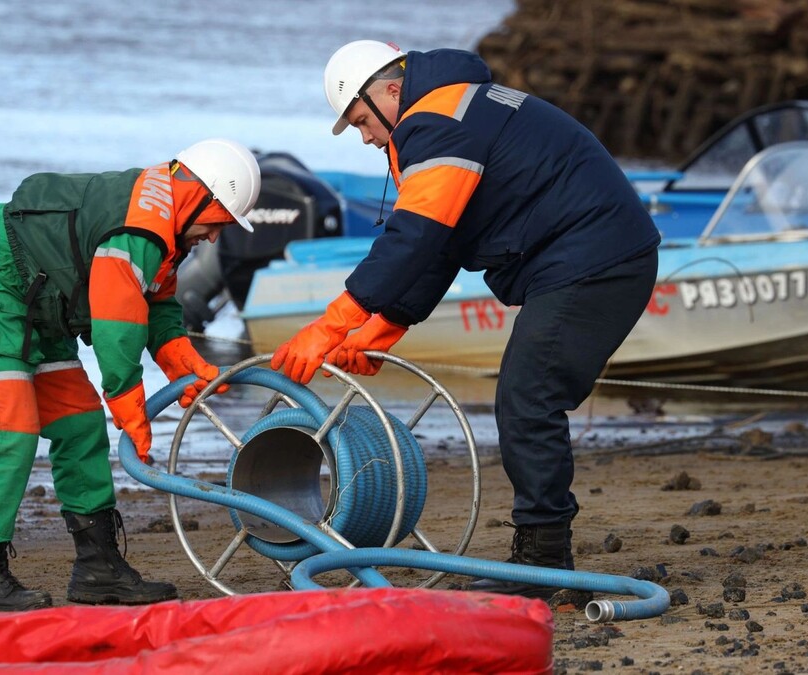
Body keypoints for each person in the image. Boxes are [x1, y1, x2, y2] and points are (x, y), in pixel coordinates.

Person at [271, 41, 660, 598]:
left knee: (528, 398)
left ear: (388, 91)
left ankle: (545, 562)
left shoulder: (435, 121)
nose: (366, 137)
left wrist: (331, 326)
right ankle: (546, 558)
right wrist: (380, 330)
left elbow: (416, 237)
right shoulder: (454, 106)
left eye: (361, 122)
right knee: (529, 397)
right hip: (592, 255)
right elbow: (443, 243)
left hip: (594, 259)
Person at [0, 138, 260, 611]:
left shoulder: (164, 222)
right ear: (203, 196)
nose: (215, 238)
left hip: (40, 304)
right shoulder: (145, 227)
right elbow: (116, 318)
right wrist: (129, 400)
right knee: (12, 429)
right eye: (219, 223)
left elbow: (155, 302)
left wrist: (179, 359)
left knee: (81, 426)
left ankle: (98, 569)